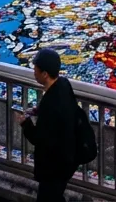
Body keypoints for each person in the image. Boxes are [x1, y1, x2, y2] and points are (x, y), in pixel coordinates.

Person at [18, 48, 83, 202]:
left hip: (54, 166)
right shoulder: (64, 85)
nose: (34, 72)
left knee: (47, 197)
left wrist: (25, 123)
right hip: (67, 159)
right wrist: (38, 111)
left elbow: (39, 139)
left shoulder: (50, 105)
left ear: (45, 74)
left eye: (36, 70)